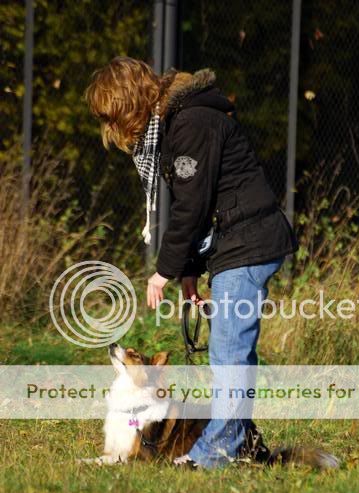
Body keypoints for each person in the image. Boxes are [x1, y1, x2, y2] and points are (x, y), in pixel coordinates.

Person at [85, 56, 298, 469]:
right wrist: (189, 272)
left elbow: (192, 208)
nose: (113, 129)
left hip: (248, 241)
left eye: (114, 116)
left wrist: (164, 271)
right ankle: (238, 446)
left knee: (229, 355)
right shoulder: (176, 124)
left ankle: (212, 454)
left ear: (131, 102)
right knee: (230, 353)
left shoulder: (191, 123)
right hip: (234, 244)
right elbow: (200, 203)